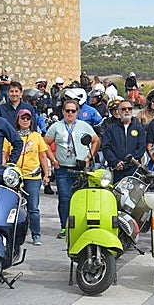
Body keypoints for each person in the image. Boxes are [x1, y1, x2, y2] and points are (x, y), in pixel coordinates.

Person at [44, 99, 99, 239]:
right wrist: (53, 160)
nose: (70, 113)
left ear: (77, 112)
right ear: (63, 111)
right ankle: (64, 226)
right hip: (63, 169)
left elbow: (96, 140)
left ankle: (80, 226)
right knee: (64, 198)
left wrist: (89, 157)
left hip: (80, 168)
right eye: (67, 111)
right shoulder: (56, 127)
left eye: (73, 111)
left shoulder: (84, 126)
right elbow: (45, 143)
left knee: (81, 199)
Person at [2, 108, 53, 246]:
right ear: (17, 120)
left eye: (27, 118)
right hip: (14, 176)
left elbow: (43, 155)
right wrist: (4, 170)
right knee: (14, 206)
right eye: (22, 118)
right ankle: (13, 234)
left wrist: (46, 174)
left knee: (33, 208)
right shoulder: (11, 135)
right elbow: (5, 154)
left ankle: (36, 234)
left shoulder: (36, 136)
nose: (25, 121)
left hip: (32, 176)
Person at [102, 100, 146, 183]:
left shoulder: (139, 128)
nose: (127, 111)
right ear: (118, 111)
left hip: (134, 170)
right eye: (124, 109)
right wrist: (116, 162)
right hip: (117, 170)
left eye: (129, 109)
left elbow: (141, 148)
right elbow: (106, 148)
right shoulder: (111, 129)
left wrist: (128, 163)